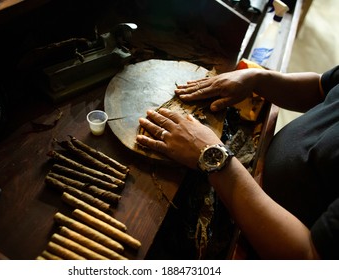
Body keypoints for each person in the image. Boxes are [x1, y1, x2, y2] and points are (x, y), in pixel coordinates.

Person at [136, 65, 339, 259]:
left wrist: (214, 157)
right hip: (254, 185)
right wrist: (258, 79)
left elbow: (308, 258)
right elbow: (322, 87)